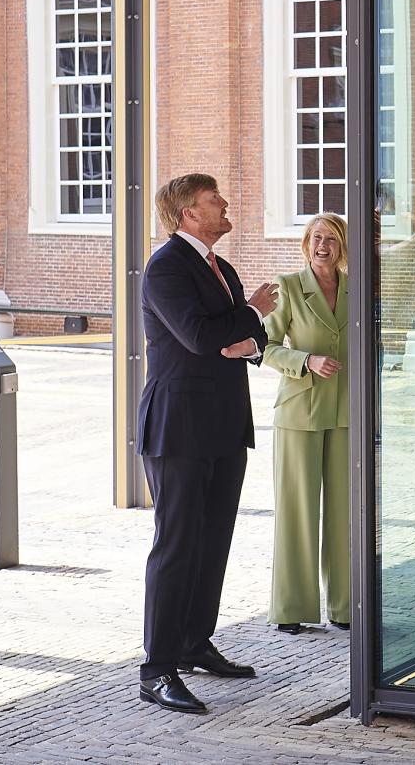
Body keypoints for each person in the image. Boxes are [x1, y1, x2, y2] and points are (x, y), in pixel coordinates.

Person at [137, 174, 278, 715]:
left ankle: (195, 644)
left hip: (223, 423)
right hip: (179, 426)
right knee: (176, 545)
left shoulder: (224, 269)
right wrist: (254, 312)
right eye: (213, 200)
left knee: (214, 540)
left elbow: (248, 342)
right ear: (187, 214)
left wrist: (243, 335)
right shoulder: (166, 266)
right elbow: (199, 337)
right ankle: (157, 668)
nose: (224, 205)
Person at [259, 214, 350, 634]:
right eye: (316, 238)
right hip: (300, 410)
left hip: (348, 410)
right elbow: (265, 347)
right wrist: (305, 361)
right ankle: (292, 607)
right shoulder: (289, 287)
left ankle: (346, 605)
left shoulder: (355, 288)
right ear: (305, 243)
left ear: (342, 245)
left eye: (331, 238)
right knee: (298, 511)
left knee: (345, 512)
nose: (322, 245)